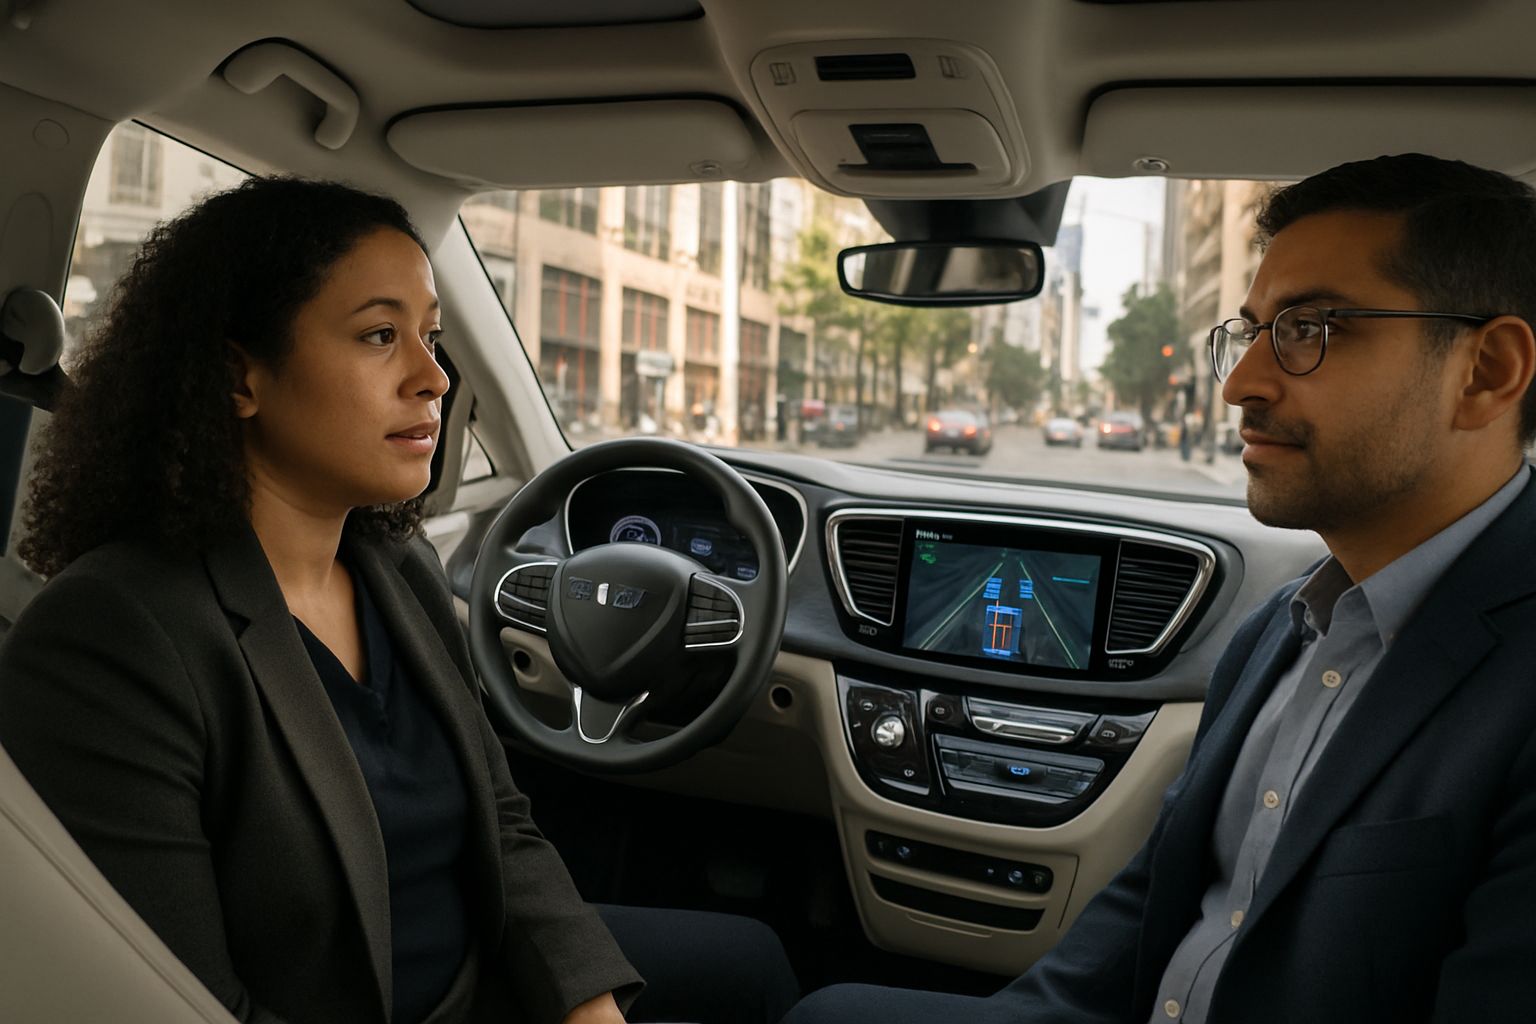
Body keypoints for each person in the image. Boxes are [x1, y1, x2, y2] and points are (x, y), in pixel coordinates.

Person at [0, 177, 797, 1024]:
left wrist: (586, 1007)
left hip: (477, 978)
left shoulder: (396, 564)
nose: (435, 377)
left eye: (432, 336)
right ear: (240, 375)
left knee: (757, 962)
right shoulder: (111, 638)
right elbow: (175, 1003)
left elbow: (501, 820)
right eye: (381, 335)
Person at [782, 153, 1536, 1024]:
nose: (1241, 384)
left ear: (1487, 371)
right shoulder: (1282, 629)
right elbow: (1148, 907)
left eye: (1308, 329)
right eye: (1249, 332)